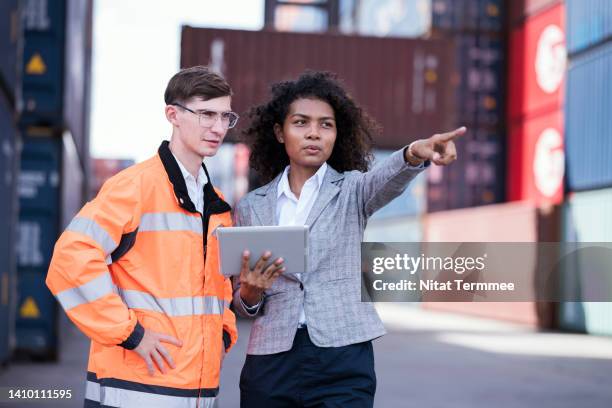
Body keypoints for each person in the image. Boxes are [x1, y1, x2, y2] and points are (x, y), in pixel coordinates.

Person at [232, 71, 465, 407]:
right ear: (279, 133)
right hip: (271, 362)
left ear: (337, 134)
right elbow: (242, 301)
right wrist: (251, 294)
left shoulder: (353, 190)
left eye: (326, 124)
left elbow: (387, 178)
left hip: (342, 358)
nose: (314, 132)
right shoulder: (252, 206)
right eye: (301, 123)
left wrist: (417, 151)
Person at [46, 66, 239, 408]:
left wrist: (222, 335)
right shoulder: (134, 186)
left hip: (199, 393)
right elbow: (70, 259)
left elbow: (216, 290)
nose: (219, 128)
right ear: (173, 114)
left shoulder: (217, 204)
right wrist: (130, 334)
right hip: (133, 391)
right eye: (207, 114)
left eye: (226, 116)